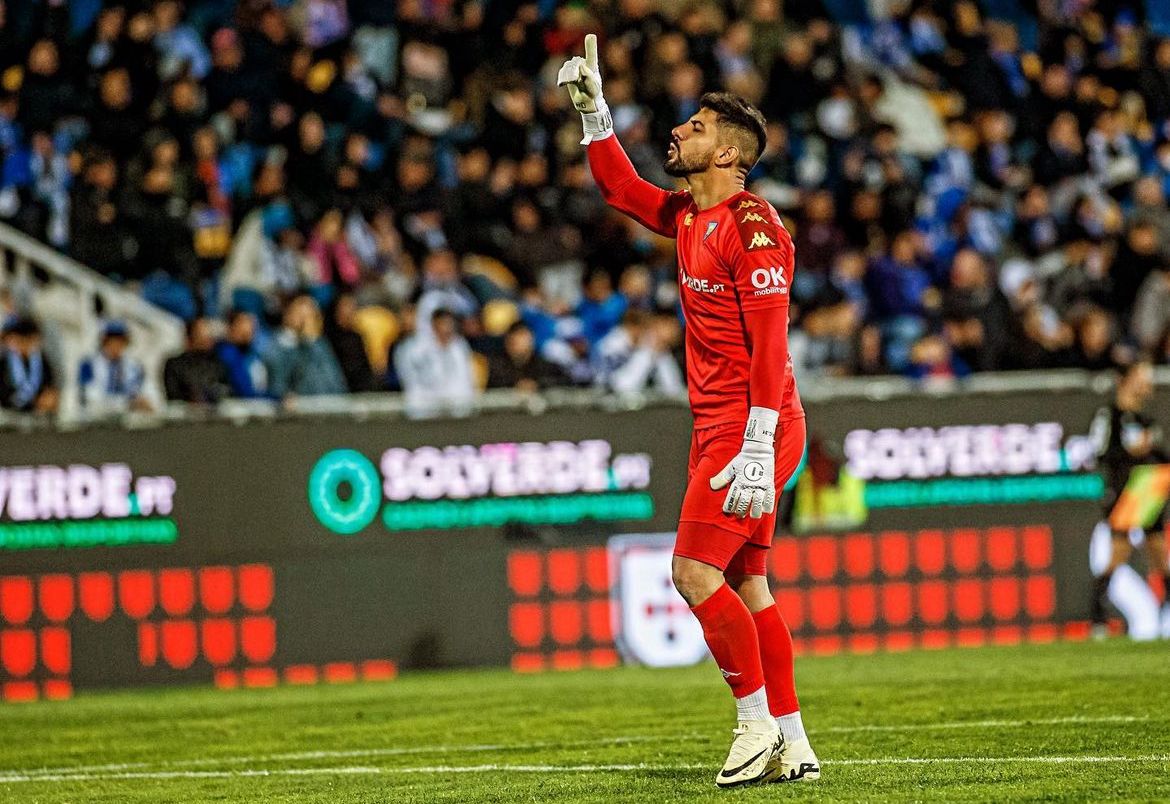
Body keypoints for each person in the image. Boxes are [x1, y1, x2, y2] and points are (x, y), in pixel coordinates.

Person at [560, 36, 815, 786]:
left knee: (692, 573)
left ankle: (754, 726)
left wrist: (761, 444)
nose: (679, 130)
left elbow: (772, 344)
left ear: (730, 155)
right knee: (750, 588)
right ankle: (794, 742)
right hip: (726, 427)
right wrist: (594, 115)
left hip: (753, 427)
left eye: (697, 128)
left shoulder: (754, 227)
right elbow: (619, 190)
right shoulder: (688, 217)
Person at [1088, 361, 1170, 637]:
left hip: (1148, 488)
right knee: (1118, 554)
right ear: (1127, 380)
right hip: (1124, 491)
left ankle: (1167, 613)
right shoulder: (1110, 416)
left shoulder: (1148, 421)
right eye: (1142, 377)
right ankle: (1097, 616)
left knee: (1159, 554)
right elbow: (1100, 453)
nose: (1148, 384)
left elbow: (1161, 457)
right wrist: (1129, 452)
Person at [394, 308, 476, 417]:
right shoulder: (413, 348)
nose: (448, 328)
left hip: (456, 412)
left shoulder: (459, 346)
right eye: (444, 323)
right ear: (434, 324)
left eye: (450, 324)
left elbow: (466, 381)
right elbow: (410, 382)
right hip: (424, 410)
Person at [78, 321, 152, 416]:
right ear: (104, 341)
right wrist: (127, 403)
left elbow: (144, 393)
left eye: (121, 341)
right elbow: (91, 399)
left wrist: (140, 402)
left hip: (127, 422)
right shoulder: (89, 365)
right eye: (112, 340)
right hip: (96, 421)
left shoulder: (134, 366)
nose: (116, 345)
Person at [163, 317, 230, 404]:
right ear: (189, 338)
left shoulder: (217, 363)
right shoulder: (174, 364)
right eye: (201, 335)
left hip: (214, 414)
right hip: (185, 415)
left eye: (208, 335)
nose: (207, 338)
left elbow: (226, 390)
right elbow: (173, 397)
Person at [0, 317, 58, 415]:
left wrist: (48, 396)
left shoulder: (42, 360)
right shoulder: (4, 361)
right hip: (10, 413)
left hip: (38, 412)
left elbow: (49, 383)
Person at [214, 310, 269, 399]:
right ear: (231, 327)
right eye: (243, 324)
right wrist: (277, 398)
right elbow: (244, 390)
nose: (248, 329)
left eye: (251, 327)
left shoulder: (252, 354)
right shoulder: (227, 353)